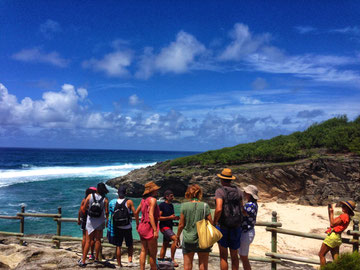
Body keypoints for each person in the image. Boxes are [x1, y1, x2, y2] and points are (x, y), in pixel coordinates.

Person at [176, 184, 213, 270]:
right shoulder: (205, 206)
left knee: (187, 266)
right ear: (199, 193)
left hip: (188, 239)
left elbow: (181, 225)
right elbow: (211, 222)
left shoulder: (184, 206)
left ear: (188, 193)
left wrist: (177, 237)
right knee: (203, 266)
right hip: (202, 239)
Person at [213, 168, 243, 270]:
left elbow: (218, 209)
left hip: (223, 226)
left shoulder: (219, 191)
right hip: (236, 226)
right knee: (234, 255)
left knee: (223, 256)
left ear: (221, 179)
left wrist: (214, 222)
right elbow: (242, 208)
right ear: (231, 180)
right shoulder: (238, 191)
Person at [79, 183, 109, 267]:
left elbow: (84, 208)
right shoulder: (105, 199)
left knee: (88, 241)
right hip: (100, 221)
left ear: (97, 189)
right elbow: (106, 212)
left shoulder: (90, 196)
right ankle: (96, 258)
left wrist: (89, 212)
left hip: (90, 221)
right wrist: (107, 220)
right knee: (98, 240)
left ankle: (83, 260)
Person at [318, 200, 356, 267]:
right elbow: (333, 223)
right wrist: (330, 212)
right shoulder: (347, 217)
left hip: (333, 237)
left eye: (344, 206)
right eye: (342, 205)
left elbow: (332, 224)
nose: (342, 207)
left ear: (348, 209)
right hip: (337, 238)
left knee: (321, 255)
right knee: (336, 261)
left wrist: (332, 212)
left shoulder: (344, 216)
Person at [107, 185, 136, 268]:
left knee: (118, 245)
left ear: (118, 193)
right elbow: (135, 213)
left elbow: (110, 214)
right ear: (125, 192)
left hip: (117, 227)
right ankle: (130, 261)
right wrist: (137, 222)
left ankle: (119, 264)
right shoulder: (129, 202)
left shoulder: (113, 202)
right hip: (127, 226)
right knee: (129, 244)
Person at [135, 181, 161, 270]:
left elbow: (136, 212)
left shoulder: (143, 200)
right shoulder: (153, 200)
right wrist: (154, 230)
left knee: (143, 250)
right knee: (153, 254)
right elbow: (150, 215)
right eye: (155, 190)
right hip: (149, 228)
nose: (157, 191)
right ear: (151, 191)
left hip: (142, 226)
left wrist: (138, 224)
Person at [239, 185, 259, 270]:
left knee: (244, 257)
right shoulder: (253, 204)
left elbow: (243, 213)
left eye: (245, 193)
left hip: (246, 232)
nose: (244, 193)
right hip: (248, 231)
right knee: (243, 256)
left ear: (249, 194)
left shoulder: (250, 205)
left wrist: (239, 204)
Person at [159, 190, 180, 267]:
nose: (172, 197)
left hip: (169, 226)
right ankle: (172, 259)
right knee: (175, 239)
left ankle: (161, 260)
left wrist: (175, 218)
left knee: (165, 244)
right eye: (171, 196)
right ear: (166, 197)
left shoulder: (171, 205)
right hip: (163, 227)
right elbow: (158, 217)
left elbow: (171, 217)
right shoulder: (161, 205)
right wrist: (169, 217)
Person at [78, 187, 97, 259]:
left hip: (84, 219)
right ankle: (91, 254)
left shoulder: (84, 200)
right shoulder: (92, 200)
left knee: (84, 238)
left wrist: (78, 219)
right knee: (92, 238)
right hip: (91, 220)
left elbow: (80, 211)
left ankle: (83, 254)